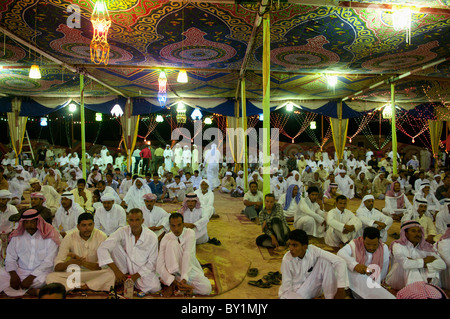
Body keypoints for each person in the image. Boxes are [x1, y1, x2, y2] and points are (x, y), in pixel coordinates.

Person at [97, 208, 161, 295]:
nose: (134, 223)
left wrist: (135, 276)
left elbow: (152, 262)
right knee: (113, 244)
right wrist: (117, 271)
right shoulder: (122, 231)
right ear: (128, 221)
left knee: (154, 287)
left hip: (141, 269)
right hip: (124, 265)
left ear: (142, 221)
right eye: (131, 220)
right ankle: (123, 277)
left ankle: (126, 281)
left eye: (137, 220)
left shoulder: (151, 236)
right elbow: (102, 248)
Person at [46, 213, 115, 293]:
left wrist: (83, 263)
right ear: (78, 226)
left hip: (94, 273)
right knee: (50, 277)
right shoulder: (69, 237)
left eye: (90, 225)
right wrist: (69, 263)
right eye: (84, 225)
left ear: (94, 224)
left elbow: (103, 265)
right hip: (75, 274)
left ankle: (77, 286)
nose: (87, 228)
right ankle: (89, 286)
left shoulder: (101, 236)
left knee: (111, 274)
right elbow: (57, 267)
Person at [0, 209, 60, 297]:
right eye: (26, 223)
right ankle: (31, 291)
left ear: (38, 222)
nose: (29, 225)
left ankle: (18, 290)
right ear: (22, 223)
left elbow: (49, 262)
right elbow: (10, 258)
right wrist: (13, 275)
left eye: (32, 222)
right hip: (19, 272)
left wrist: (31, 277)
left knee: (51, 279)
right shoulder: (17, 237)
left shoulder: (49, 236)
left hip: (40, 274)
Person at [278, 229, 349, 299]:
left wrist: (340, 288)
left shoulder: (313, 251)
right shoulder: (287, 260)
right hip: (295, 293)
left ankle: (330, 297)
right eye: (290, 245)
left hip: (311, 287)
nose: (290, 248)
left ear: (305, 247)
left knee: (324, 262)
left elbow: (340, 262)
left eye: (295, 245)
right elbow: (287, 289)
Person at [156, 213, 212, 297]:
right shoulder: (166, 238)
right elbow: (160, 265)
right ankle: (174, 284)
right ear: (170, 226)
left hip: (188, 268)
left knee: (207, 288)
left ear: (183, 224)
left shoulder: (190, 233)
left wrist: (184, 279)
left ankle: (181, 287)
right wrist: (172, 280)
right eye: (173, 226)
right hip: (172, 273)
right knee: (172, 244)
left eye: (179, 225)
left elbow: (187, 255)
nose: (176, 229)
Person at [385, 220, 446, 290]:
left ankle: (428, 291)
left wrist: (424, 265)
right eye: (413, 231)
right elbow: (405, 264)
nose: (418, 234)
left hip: (421, 279)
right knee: (411, 269)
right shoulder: (398, 245)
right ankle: (416, 292)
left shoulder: (426, 247)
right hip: (398, 279)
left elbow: (442, 264)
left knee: (434, 270)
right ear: (406, 233)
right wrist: (424, 261)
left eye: (419, 231)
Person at [337, 227, 394, 299]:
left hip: (373, 282)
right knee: (342, 266)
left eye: (374, 245)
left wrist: (373, 283)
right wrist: (355, 265)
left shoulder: (383, 248)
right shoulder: (355, 243)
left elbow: (383, 270)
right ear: (363, 239)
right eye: (368, 244)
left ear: (379, 241)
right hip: (357, 278)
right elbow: (340, 253)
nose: (371, 247)